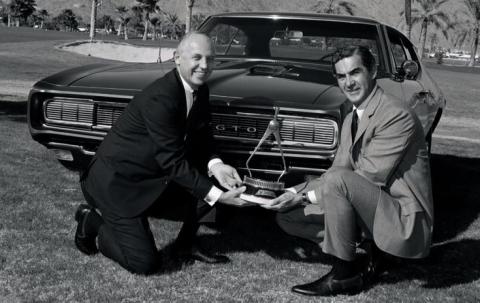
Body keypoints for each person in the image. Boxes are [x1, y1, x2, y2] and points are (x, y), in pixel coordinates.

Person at [262, 45, 434, 296]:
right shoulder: (352, 117)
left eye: (355, 73)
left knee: (338, 182)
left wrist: (304, 196)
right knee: (288, 217)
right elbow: (335, 172)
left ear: (373, 71)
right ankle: (369, 248)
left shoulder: (396, 114)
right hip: (370, 207)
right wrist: (289, 192)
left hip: (402, 218)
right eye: (341, 76)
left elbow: (368, 176)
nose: (348, 83)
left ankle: (344, 275)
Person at [74, 32, 250, 275]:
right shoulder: (161, 97)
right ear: (177, 58)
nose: (205, 65)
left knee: (209, 186)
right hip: (117, 185)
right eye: (197, 58)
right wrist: (218, 196)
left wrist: (216, 164)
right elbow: (171, 161)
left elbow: (202, 135)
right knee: (144, 264)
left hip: (154, 178)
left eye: (211, 59)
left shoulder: (201, 90)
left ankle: (185, 244)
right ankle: (91, 221)